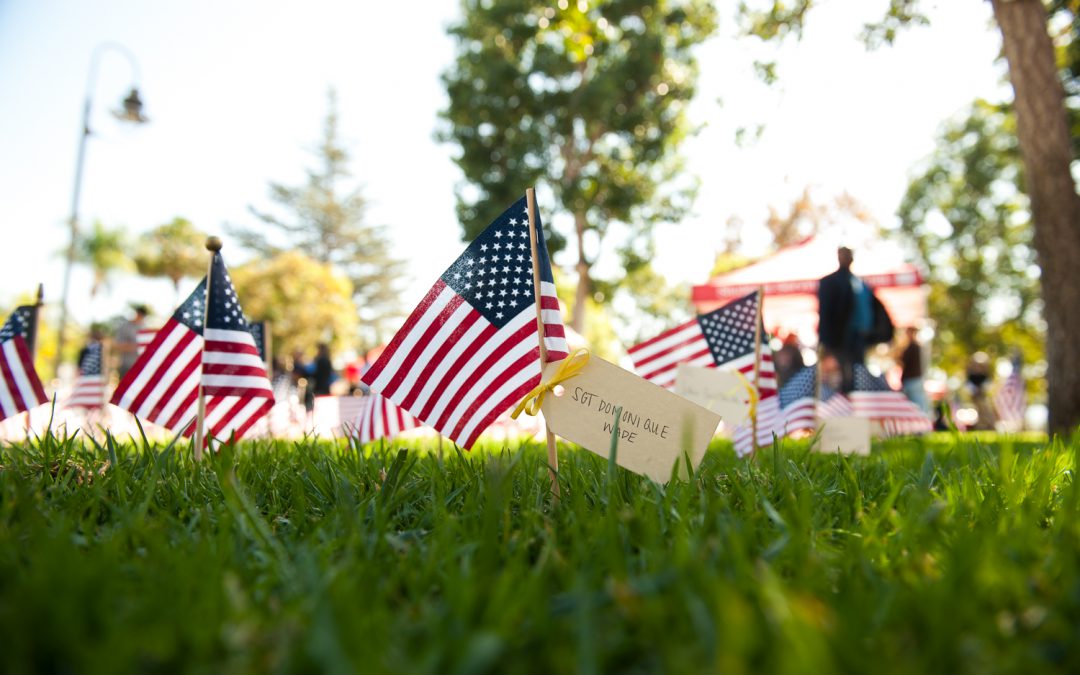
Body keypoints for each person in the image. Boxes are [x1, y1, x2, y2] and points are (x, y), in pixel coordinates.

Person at [817, 247, 871, 393]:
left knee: (855, 378)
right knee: (838, 379)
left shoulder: (860, 284)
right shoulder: (830, 282)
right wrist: (825, 342)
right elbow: (825, 312)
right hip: (837, 341)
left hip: (857, 340)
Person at [898, 326, 929, 414]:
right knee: (917, 403)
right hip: (913, 379)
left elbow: (903, 360)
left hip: (912, 380)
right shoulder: (915, 346)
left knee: (916, 404)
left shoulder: (913, 346)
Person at [114, 304, 149, 378]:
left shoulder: (145, 328)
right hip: (126, 365)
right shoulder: (125, 327)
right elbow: (118, 345)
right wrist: (137, 346)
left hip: (141, 367)